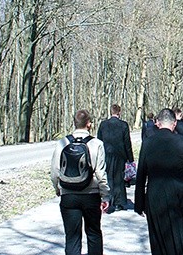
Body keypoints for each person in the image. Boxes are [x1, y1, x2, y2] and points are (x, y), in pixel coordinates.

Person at [134, 108, 183, 255]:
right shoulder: (182, 141)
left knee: (157, 239)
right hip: (179, 194)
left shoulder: (148, 143)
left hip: (155, 196)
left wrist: (139, 203)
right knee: (181, 235)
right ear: (174, 123)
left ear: (158, 123)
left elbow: (141, 174)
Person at [50, 109, 110, 255]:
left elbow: (54, 171)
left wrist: (58, 189)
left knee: (72, 237)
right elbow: (100, 174)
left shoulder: (62, 142)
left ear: (74, 123)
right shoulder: (97, 144)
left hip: (69, 195)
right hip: (91, 195)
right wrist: (105, 196)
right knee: (94, 233)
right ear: (89, 124)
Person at [97, 103, 134, 213]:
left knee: (108, 177)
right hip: (120, 155)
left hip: (107, 154)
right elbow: (127, 142)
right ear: (119, 112)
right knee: (119, 178)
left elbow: (99, 141)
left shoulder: (103, 124)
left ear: (110, 112)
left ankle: (109, 201)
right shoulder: (123, 125)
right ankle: (119, 203)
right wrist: (130, 158)